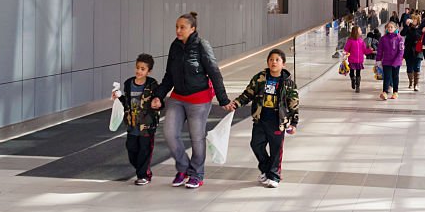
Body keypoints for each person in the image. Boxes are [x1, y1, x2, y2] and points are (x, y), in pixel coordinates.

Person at [152, 12, 230, 189]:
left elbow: (214, 72)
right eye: (177, 27)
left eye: (182, 27)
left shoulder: (202, 45)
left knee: (196, 138)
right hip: (178, 97)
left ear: (192, 28)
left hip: (199, 99)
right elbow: (169, 75)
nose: (178, 30)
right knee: (170, 133)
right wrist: (159, 95)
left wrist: (223, 99)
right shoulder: (175, 46)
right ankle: (183, 168)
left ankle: (197, 174)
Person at [225, 49, 299, 188]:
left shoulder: (288, 83)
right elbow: (248, 94)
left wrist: (294, 122)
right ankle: (266, 170)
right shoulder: (260, 78)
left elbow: (294, 103)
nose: (274, 62)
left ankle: (274, 177)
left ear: (283, 64)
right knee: (256, 144)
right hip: (261, 119)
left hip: (278, 121)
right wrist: (236, 103)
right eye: (271, 59)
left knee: (276, 149)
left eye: (277, 60)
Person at [114, 53, 159, 185]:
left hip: (147, 126)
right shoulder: (128, 84)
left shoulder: (152, 84)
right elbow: (126, 101)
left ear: (148, 71)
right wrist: (119, 96)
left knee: (144, 150)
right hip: (132, 124)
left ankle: (143, 175)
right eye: (137, 67)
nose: (139, 71)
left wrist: (157, 104)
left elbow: (158, 101)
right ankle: (142, 169)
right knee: (131, 148)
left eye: (143, 69)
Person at [376, 21, 405, 100]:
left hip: (396, 62)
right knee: (387, 77)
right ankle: (384, 92)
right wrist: (378, 60)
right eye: (388, 27)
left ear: (395, 28)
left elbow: (401, 51)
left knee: (395, 77)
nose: (390, 28)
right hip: (386, 61)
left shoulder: (400, 39)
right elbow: (380, 50)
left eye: (391, 27)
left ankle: (395, 92)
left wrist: (396, 61)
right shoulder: (383, 38)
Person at [343, 25, 369, 93]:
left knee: (358, 73)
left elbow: (364, 50)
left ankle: (357, 86)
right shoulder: (350, 41)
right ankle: (352, 79)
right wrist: (345, 54)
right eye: (360, 30)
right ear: (356, 32)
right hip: (352, 60)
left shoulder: (361, 41)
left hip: (359, 61)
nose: (361, 31)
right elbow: (346, 49)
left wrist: (370, 50)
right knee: (351, 73)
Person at [402, 13, 422, 92]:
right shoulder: (408, 28)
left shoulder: (420, 29)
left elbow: (418, 36)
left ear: (418, 21)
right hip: (408, 50)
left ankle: (416, 84)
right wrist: (407, 25)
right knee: (409, 67)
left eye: (415, 19)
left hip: (417, 51)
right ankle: (411, 82)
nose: (413, 21)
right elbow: (402, 33)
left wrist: (415, 29)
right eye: (412, 19)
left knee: (417, 67)